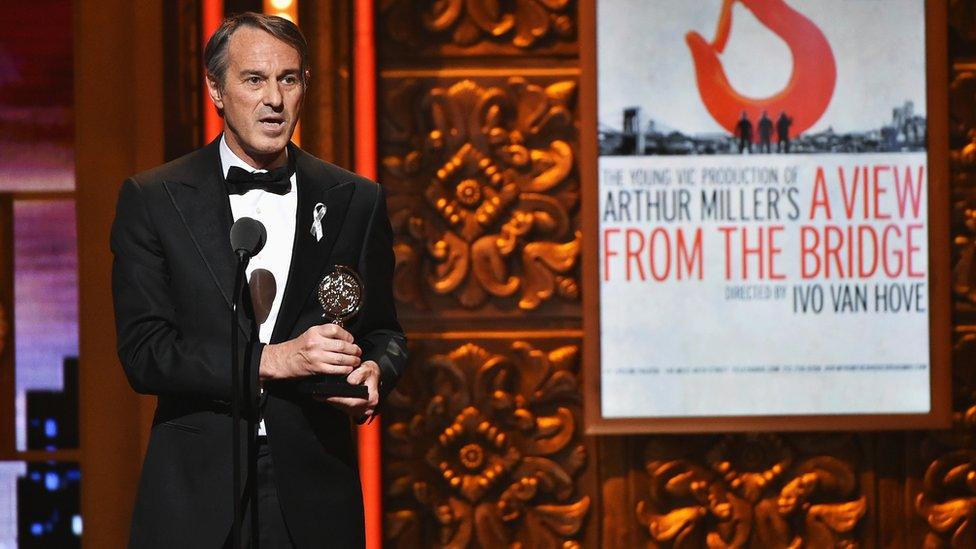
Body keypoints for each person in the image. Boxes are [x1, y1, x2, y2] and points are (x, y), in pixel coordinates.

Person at [110, 12, 407, 548]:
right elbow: (145, 353)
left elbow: (386, 333)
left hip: (314, 489)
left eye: (288, 79)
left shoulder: (355, 200)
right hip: (193, 492)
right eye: (254, 80)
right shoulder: (155, 200)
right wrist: (273, 360)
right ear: (216, 89)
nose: (274, 98)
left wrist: (373, 374)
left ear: (303, 87)